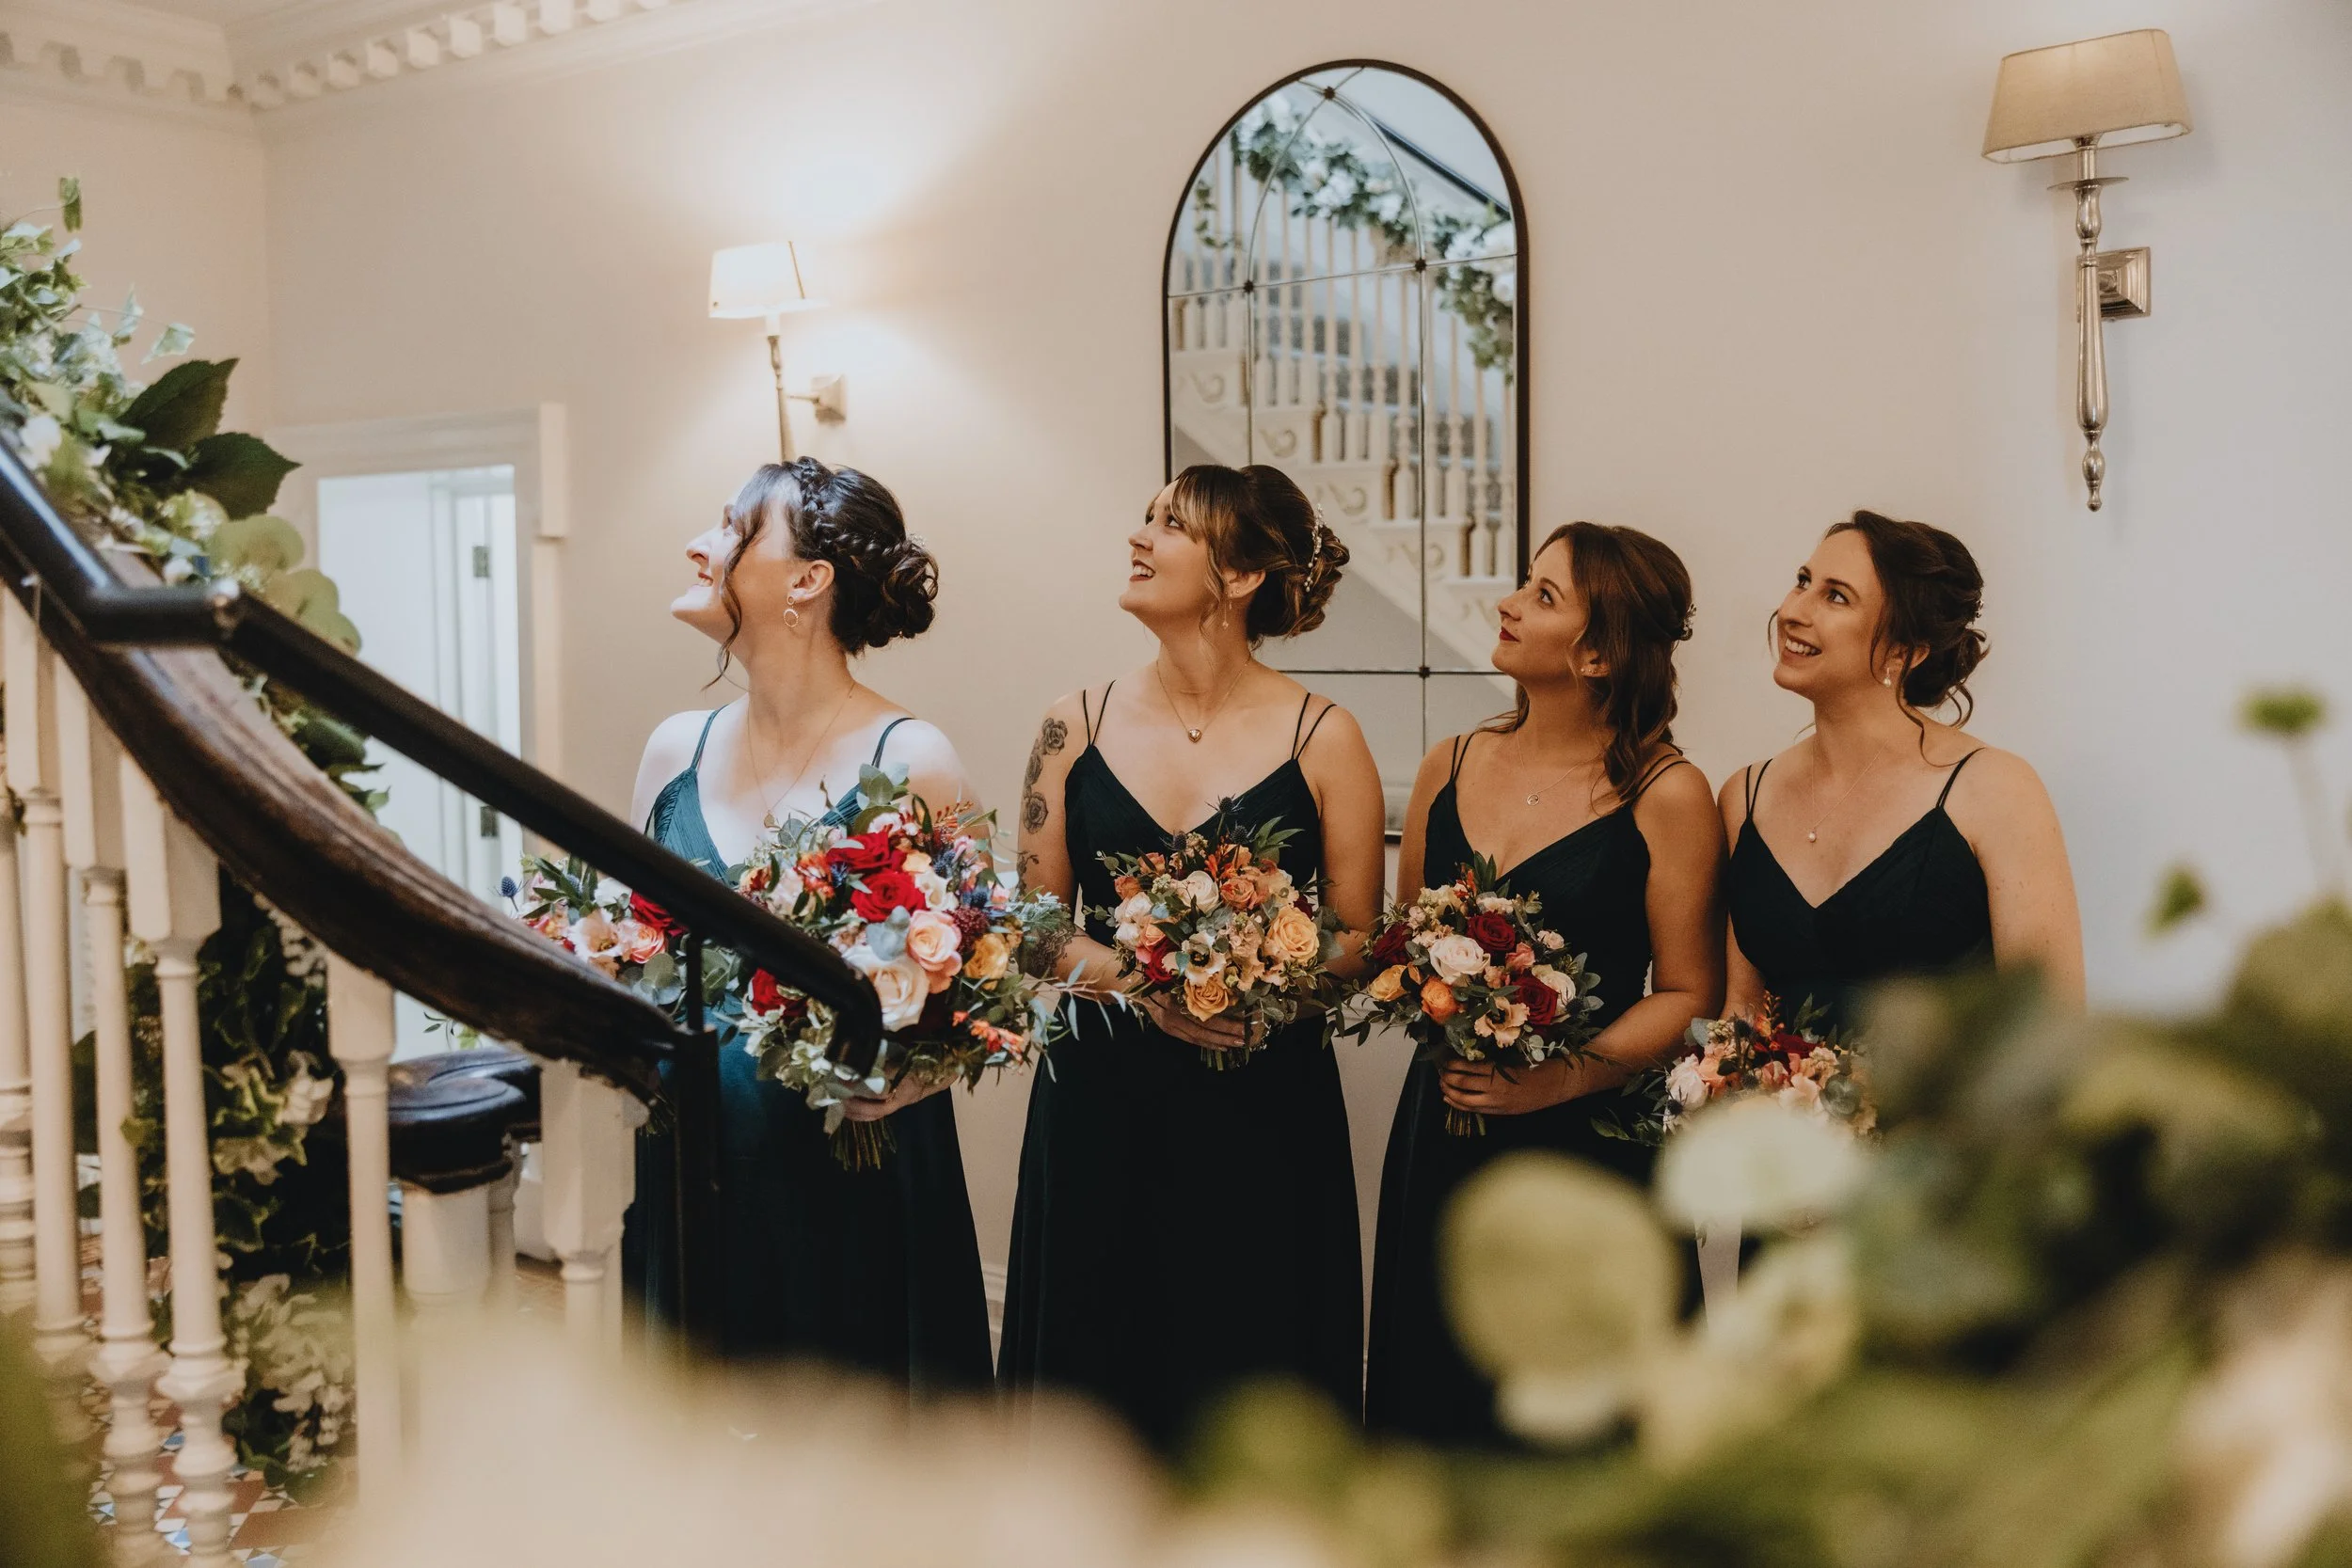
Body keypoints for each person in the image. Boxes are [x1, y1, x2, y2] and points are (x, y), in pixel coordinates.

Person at [999, 463, 1386, 1448]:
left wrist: (1258, 994)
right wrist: (1153, 981)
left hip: (1258, 1104)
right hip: (1099, 1096)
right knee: (1096, 1368)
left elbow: (1353, 934)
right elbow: (1036, 926)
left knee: (1247, 1363)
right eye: (1145, 516)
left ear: (1242, 573)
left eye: (1170, 523)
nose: (1139, 536)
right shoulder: (1069, 723)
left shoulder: (1323, 736)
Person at [619, 457, 991, 1386]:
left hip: (850, 1180)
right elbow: (626, 948)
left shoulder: (913, 758)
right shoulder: (674, 748)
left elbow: (995, 969)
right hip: (690, 1170)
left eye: (733, 528)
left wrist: (918, 1076)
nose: (699, 547)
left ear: (805, 580)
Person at [1363, 521, 1724, 1447]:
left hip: (1589, 1139)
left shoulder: (1666, 792)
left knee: (1572, 1416)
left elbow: (1689, 989)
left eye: (1543, 595)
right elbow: (1402, 945)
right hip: (1445, 1124)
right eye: (1525, 584)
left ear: (1599, 653)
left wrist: (1562, 1074)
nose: (1507, 603)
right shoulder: (1448, 762)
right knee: (1437, 1392)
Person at [1720, 510, 2084, 1029]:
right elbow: (1742, 1012)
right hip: (1776, 1111)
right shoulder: (1745, 796)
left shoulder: (1995, 790)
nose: (1793, 610)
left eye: (1836, 595)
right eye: (1803, 582)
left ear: (1903, 651)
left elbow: (2050, 1027)